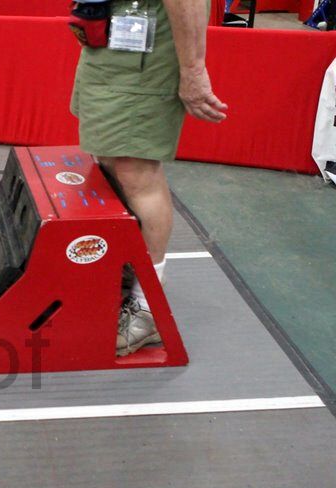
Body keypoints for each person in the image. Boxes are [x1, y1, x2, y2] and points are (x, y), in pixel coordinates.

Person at [70, 0, 227, 355]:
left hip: (142, 54)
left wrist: (193, 70)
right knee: (112, 159)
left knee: (136, 171)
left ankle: (146, 308)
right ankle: (130, 271)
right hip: (113, 44)